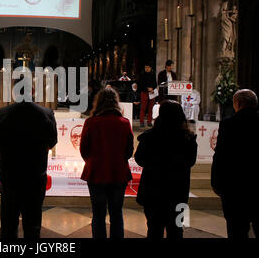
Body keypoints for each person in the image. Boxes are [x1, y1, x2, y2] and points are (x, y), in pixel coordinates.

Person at [0, 97, 57, 239]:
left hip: (10, 175)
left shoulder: (3, 113)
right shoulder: (46, 113)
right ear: (33, 93)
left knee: (8, 223)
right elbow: (52, 141)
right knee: (33, 225)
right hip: (35, 175)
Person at [135, 100, 197, 239]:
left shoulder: (150, 137)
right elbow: (190, 162)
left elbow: (139, 159)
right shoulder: (188, 138)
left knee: (154, 230)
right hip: (178, 192)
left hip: (153, 191)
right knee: (176, 229)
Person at [80, 88, 133, 238]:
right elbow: (129, 151)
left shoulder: (91, 122)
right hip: (118, 173)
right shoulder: (124, 123)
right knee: (116, 213)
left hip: (96, 173)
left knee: (98, 214)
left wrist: (94, 161)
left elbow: (84, 149)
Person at [211, 89, 259, 238]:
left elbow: (221, 156)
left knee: (236, 230)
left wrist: (216, 183)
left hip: (234, 187)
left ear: (237, 104)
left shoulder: (229, 124)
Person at [138, 63, 157, 127]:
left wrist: (152, 88)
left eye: (148, 67)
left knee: (150, 108)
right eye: (145, 67)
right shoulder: (142, 75)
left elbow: (155, 84)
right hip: (144, 92)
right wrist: (147, 88)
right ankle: (141, 122)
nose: (146, 68)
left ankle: (149, 122)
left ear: (150, 68)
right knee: (143, 108)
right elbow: (140, 85)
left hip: (151, 93)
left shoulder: (153, 75)